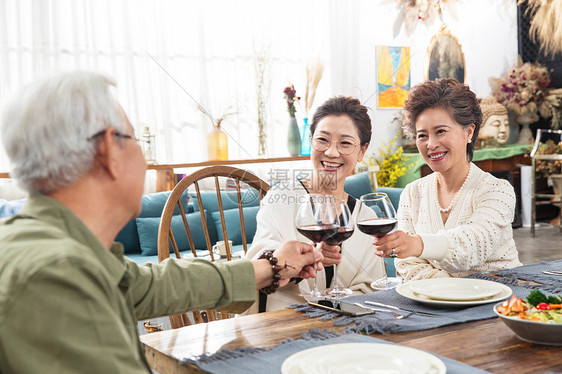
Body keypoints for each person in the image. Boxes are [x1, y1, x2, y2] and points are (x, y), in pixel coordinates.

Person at [0, 71, 323, 373]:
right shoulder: (56, 274)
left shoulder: (53, 249)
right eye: (137, 141)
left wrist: (273, 266)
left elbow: (154, 285)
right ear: (109, 152)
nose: (145, 160)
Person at [245, 96, 385, 312]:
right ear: (311, 141)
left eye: (345, 143)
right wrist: (298, 264)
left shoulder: (365, 218)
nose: (331, 152)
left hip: (344, 330)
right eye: (323, 140)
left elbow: (372, 289)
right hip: (280, 325)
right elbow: (259, 262)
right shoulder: (281, 197)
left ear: (362, 152)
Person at [372, 79, 521, 280]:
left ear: (468, 132)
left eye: (441, 131)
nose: (431, 144)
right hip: (436, 303)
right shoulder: (413, 192)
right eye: (422, 135)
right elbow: (407, 264)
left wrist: (417, 245)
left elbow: (472, 246)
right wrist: (449, 291)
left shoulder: (497, 190)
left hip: (502, 300)